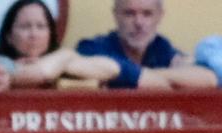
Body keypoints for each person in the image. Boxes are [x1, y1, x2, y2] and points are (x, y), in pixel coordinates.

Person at [75, 0, 218, 89]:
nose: (139, 23)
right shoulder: (93, 48)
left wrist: (147, 77)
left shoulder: (161, 48)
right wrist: (164, 81)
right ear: (116, 15)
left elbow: (209, 79)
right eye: (129, 13)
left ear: (160, 16)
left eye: (147, 14)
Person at [0, 0, 119, 87]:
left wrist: (63, 61)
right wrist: (61, 61)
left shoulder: (60, 60)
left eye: (41, 27)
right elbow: (40, 73)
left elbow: (112, 68)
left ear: (50, 34)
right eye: (25, 27)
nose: (34, 34)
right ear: (9, 36)